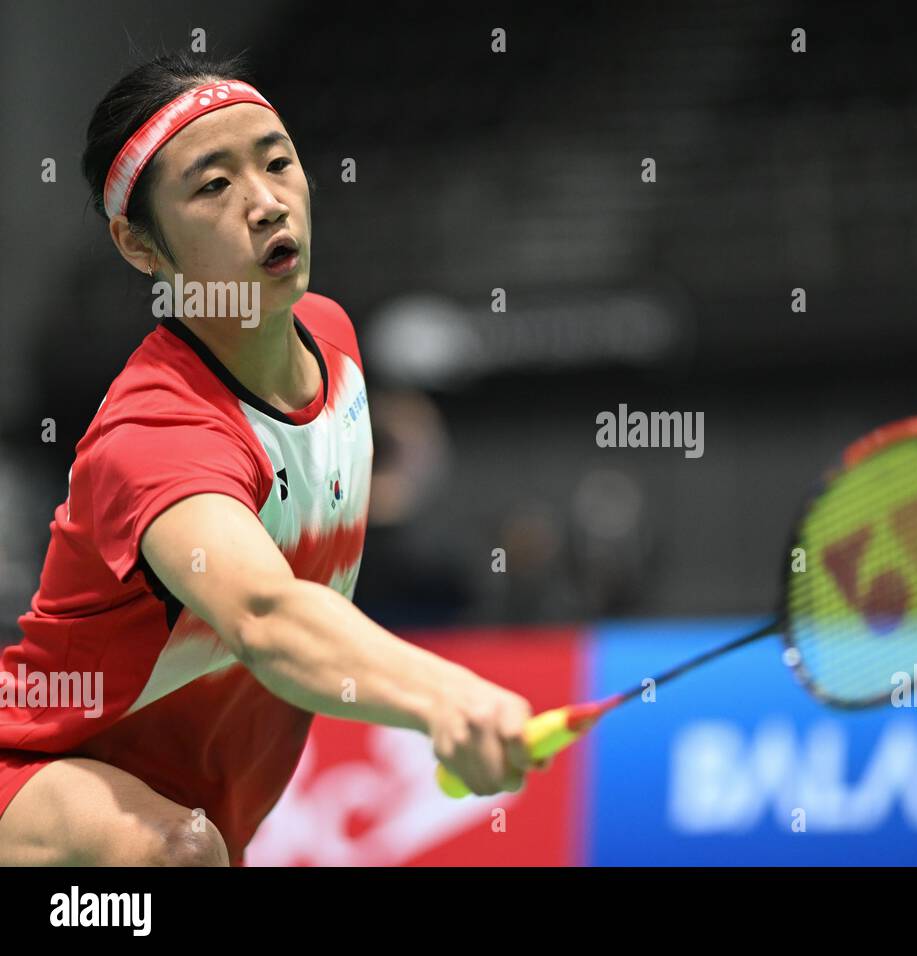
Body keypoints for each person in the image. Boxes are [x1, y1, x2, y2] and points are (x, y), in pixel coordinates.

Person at [0, 51, 542, 867]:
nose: (264, 202)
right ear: (139, 244)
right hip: (35, 785)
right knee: (175, 854)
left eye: (278, 161)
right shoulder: (155, 435)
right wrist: (446, 697)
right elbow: (264, 616)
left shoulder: (336, 343)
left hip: (214, 824)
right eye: (212, 186)